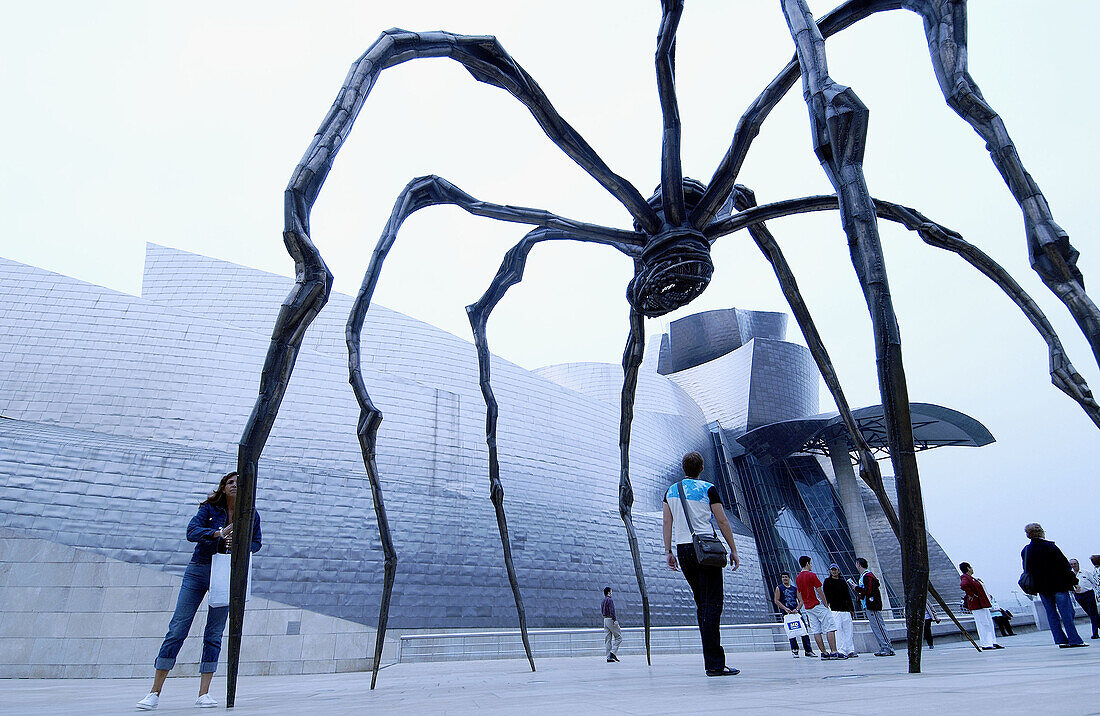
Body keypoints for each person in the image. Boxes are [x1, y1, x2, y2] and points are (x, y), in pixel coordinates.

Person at [136, 472, 262, 710]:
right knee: (178, 628)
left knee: (214, 632)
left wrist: (241, 544)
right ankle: (154, 691)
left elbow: (257, 543)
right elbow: (192, 532)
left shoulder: (250, 514)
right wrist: (217, 534)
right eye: (230, 483)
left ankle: (204, 692)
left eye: (238, 483)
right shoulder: (208, 509)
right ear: (223, 488)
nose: (235, 486)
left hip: (225, 572)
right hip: (199, 569)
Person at [663, 451, 741, 677]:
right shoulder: (708, 488)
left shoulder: (671, 491)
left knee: (702, 603)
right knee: (712, 604)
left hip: (684, 549)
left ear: (683, 467)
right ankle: (715, 664)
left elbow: (667, 521)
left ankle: (712, 660)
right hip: (706, 548)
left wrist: (668, 550)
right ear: (701, 468)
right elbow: (722, 519)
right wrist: (733, 549)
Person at [1021, 523, 1086, 648]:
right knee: (1066, 613)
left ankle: (1060, 640)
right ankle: (1074, 639)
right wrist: (1074, 582)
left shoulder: (1026, 550)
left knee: (1051, 614)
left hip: (1042, 588)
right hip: (1058, 585)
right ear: (1041, 532)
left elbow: (1027, 569)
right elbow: (1064, 566)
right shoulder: (1050, 546)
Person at [795, 556, 845, 660]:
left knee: (816, 630)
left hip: (808, 607)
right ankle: (834, 651)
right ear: (807, 563)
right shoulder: (812, 575)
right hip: (817, 604)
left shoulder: (798, 577)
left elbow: (798, 593)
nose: (811, 565)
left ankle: (823, 653)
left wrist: (802, 603)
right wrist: (826, 604)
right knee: (830, 627)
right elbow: (819, 590)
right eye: (810, 563)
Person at [851, 557, 895, 656]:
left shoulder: (868, 576)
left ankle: (888, 647)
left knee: (879, 626)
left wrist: (857, 588)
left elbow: (868, 590)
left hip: (872, 605)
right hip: (868, 605)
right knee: (875, 627)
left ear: (858, 564)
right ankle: (883, 647)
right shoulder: (865, 576)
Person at [959, 562, 1003, 650]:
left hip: (983, 604)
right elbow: (963, 585)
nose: (972, 569)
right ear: (968, 568)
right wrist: (972, 595)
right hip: (977, 605)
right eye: (970, 567)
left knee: (989, 623)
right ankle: (986, 644)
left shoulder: (973, 579)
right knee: (983, 624)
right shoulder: (966, 578)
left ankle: (993, 642)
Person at [773, 572, 815, 657]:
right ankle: (795, 650)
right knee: (791, 632)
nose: (784, 579)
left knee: (804, 631)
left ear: (789, 578)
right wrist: (785, 608)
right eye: (783, 577)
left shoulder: (795, 589)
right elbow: (776, 600)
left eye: (786, 577)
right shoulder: (779, 588)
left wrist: (797, 609)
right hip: (787, 614)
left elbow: (801, 601)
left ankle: (808, 650)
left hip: (796, 613)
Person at [823, 563, 857, 658]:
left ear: (838, 571)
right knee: (838, 630)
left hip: (845, 609)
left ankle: (850, 649)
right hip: (834, 609)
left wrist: (851, 609)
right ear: (830, 571)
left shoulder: (843, 582)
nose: (834, 572)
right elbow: (825, 595)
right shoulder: (827, 581)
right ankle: (841, 650)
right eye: (832, 570)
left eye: (835, 570)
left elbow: (848, 596)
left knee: (848, 630)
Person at [1069, 558, 1100, 640]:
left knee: (1093, 613)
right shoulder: (1070, 575)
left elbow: (1094, 583)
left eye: (1075, 564)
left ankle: (1095, 633)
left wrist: (1097, 594)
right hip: (1079, 596)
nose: (1073, 566)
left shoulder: (1085, 572)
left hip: (1088, 594)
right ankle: (1098, 626)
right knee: (1090, 613)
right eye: (1071, 564)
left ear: (1078, 564)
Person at [601, 586, 622, 662]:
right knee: (619, 637)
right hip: (610, 619)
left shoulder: (603, 601)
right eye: (611, 592)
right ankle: (612, 653)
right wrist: (615, 620)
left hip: (605, 620)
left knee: (608, 639)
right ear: (609, 592)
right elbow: (612, 610)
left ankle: (608, 657)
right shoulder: (610, 600)